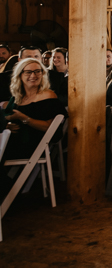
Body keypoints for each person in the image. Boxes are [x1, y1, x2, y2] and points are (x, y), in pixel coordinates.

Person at [0, 58, 67, 196]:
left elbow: (50, 128)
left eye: (38, 71)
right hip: (15, 140)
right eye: (28, 72)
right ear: (20, 75)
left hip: (31, 144)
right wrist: (9, 125)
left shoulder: (48, 95)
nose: (33, 75)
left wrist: (23, 118)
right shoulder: (18, 97)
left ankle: (6, 191)